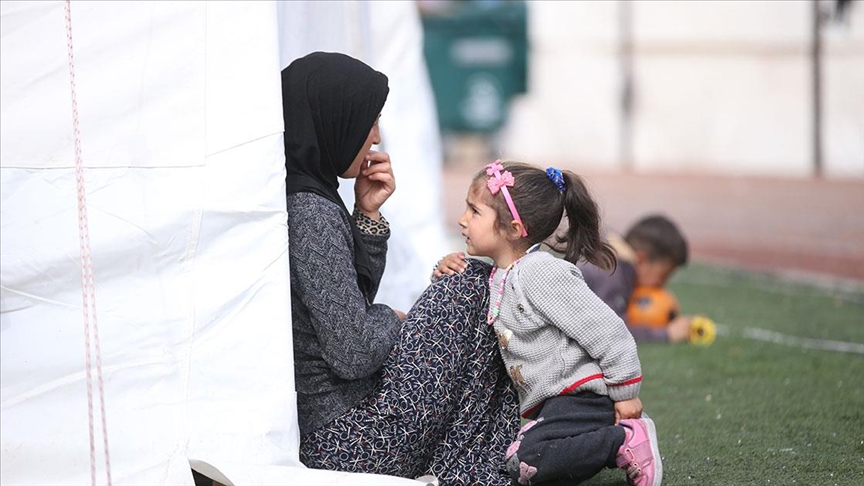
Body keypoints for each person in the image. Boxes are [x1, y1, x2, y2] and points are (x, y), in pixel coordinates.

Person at [282, 52, 519, 485]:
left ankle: (479, 458)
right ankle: (488, 455)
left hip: (352, 424)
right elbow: (352, 351)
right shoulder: (309, 211)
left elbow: (349, 303)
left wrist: (367, 214)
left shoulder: (313, 195)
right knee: (464, 287)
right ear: (333, 117)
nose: (375, 136)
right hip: (347, 438)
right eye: (368, 119)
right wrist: (393, 319)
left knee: (470, 292)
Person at [437, 160, 662, 486]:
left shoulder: (540, 272)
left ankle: (624, 440)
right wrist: (444, 269)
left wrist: (626, 392)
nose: (462, 220)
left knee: (526, 462)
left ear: (513, 228)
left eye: (474, 212)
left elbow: (607, 330)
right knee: (519, 460)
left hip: (585, 399)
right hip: (559, 406)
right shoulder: (501, 275)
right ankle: (559, 440)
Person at [578, 215, 693, 343]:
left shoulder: (612, 256)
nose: (662, 285)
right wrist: (666, 334)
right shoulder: (612, 274)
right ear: (641, 259)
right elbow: (608, 331)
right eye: (663, 276)